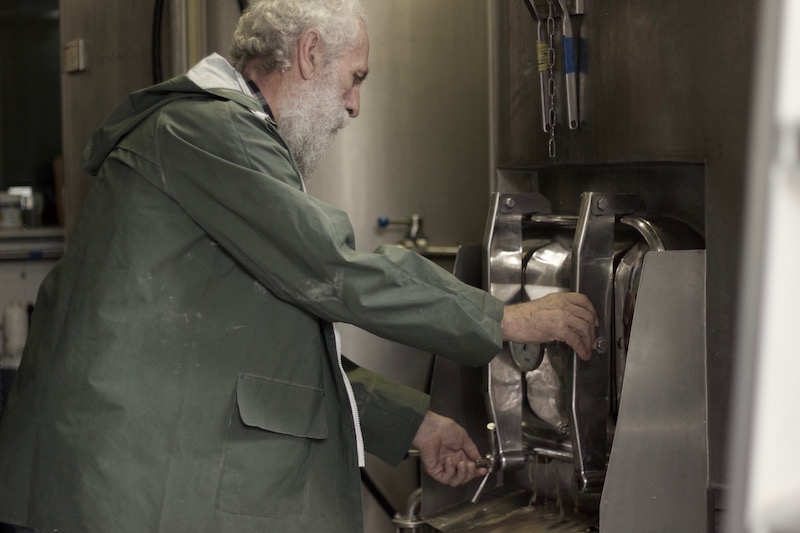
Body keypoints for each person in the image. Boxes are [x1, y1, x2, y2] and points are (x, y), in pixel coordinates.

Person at [0, 1, 597, 531]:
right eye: (355, 78)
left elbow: (272, 347)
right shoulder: (208, 128)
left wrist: (412, 425)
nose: (355, 106)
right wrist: (506, 318)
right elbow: (335, 268)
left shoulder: (217, 139)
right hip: (122, 485)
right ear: (310, 53)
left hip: (118, 478)